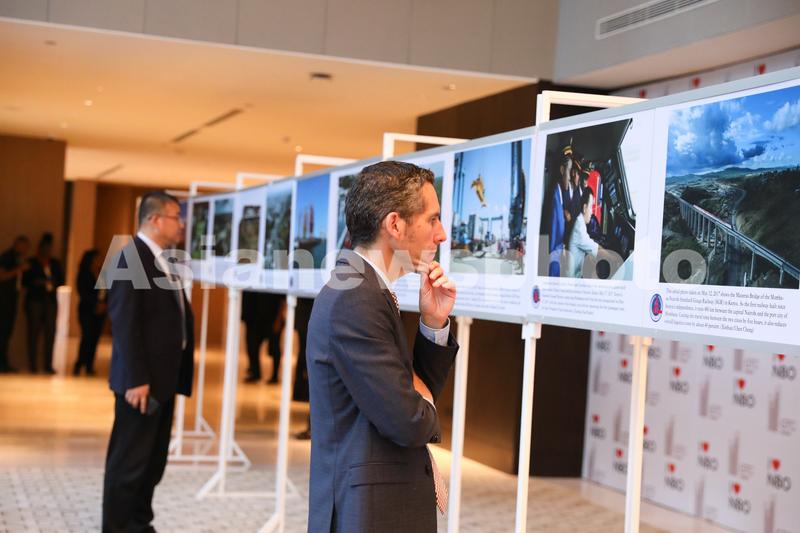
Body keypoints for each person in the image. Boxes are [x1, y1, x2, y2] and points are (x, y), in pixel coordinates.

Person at [306, 161, 459, 532]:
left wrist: (433, 322)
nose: (441, 234)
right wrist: (419, 401)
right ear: (395, 225)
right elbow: (408, 421)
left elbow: (411, 396)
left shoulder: (366, 291)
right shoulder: (355, 299)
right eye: (432, 219)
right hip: (370, 514)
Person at [102, 191, 194, 532]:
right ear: (154, 220)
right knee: (129, 462)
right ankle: (117, 526)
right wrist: (136, 378)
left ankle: (139, 523)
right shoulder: (131, 258)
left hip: (162, 380)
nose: (181, 224)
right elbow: (125, 326)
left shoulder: (160, 259)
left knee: (152, 462)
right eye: (175, 217)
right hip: (141, 383)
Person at [22, 233, 64, 374]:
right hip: (35, 300)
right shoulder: (32, 263)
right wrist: (38, 283)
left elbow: (61, 280)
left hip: (50, 300)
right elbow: (25, 282)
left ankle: (48, 364)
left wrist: (52, 282)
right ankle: (33, 365)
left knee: (50, 333)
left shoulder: (55, 263)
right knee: (33, 333)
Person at [74, 249, 107, 376]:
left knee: (95, 338)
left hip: (101, 310)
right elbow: (83, 292)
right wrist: (95, 303)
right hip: (87, 309)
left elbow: (107, 290)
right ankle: (79, 363)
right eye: (98, 258)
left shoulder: (103, 273)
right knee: (87, 336)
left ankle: (89, 365)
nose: (100, 260)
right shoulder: (84, 274)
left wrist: (104, 304)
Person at [0, 235, 30, 373]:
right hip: (3, 299)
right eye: (24, 246)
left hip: (12, 299)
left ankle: (4, 362)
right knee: (3, 331)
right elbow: (2, 276)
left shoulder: (20, 258)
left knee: (7, 332)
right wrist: (19, 269)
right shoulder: (7, 257)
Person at [241, 290, 284, 384]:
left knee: (274, 347)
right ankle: (255, 372)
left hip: (271, 315)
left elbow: (281, 298)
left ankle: (274, 375)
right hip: (254, 316)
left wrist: (279, 318)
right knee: (252, 346)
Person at [548, 145, 572, 276]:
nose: (570, 177)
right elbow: (552, 245)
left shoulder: (558, 194)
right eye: (569, 171)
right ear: (562, 170)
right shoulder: (555, 197)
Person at [566, 187, 600, 278]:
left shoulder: (580, 221)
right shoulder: (579, 227)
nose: (592, 212)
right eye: (591, 207)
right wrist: (614, 258)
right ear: (585, 208)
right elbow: (597, 250)